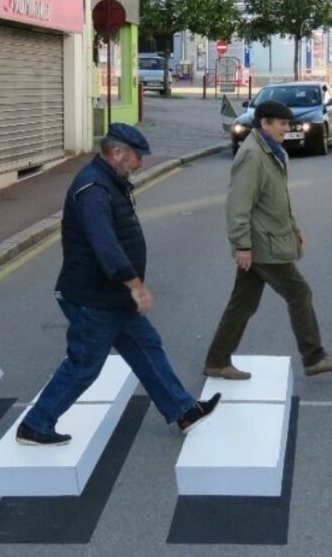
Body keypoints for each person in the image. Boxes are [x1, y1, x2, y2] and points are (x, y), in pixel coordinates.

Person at [18, 123, 220, 445]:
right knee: (84, 365)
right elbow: (106, 246)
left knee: (146, 348)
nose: (140, 164)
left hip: (112, 297)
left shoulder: (111, 182)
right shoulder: (93, 189)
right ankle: (36, 424)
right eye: (137, 157)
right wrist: (135, 286)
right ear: (117, 153)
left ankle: (184, 410)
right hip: (92, 298)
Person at [204, 99, 332, 381]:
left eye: (287, 123)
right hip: (261, 245)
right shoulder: (252, 155)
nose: (287, 127)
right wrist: (243, 245)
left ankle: (217, 360)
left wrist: (293, 227)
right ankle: (313, 357)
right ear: (264, 124)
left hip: (266, 239)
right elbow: (238, 204)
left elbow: (275, 200)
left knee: (243, 304)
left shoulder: (271, 151)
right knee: (299, 293)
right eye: (281, 123)